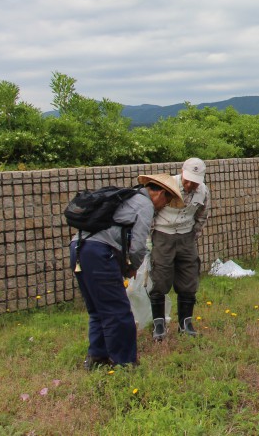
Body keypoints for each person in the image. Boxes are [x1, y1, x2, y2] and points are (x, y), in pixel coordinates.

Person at [71, 173, 184, 369]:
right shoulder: (145, 204)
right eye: (167, 200)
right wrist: (131, 267)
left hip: (78, 248)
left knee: (98, 309)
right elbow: (138, 246)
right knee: (118, 311)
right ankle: (125, 362)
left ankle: (98, 358)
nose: (164, 205)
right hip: (99, 253)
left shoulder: (128, 197)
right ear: (159, 194)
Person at [149, 158, 211, 340]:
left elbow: (202, 215)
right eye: (187, 179)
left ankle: (186, 323)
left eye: (195, 181)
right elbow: (150, 212)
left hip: (186, 236)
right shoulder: (166, 186)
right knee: (160, 277)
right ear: (181, 172)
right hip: (163, 234)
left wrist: (193, 236)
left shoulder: (203, 191)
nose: (190, 184)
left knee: (189, 276)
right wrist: (149, 240)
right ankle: (159, 324)